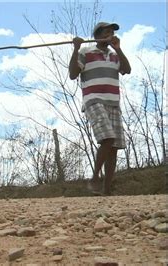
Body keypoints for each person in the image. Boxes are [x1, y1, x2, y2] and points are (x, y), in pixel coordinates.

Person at [69, 22, 131, 195]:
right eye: (106, 32)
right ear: (97, 35)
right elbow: (73, 74)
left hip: (113, 103)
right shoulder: (85, 52)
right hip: (93, 100)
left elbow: (127, 69)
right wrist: (76, 49)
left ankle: (107, 190)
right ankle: (95, 178)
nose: (110, 34)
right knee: (108, 138)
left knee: (114, 147)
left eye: (112, 32)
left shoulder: (114, 55)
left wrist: (118, 49)